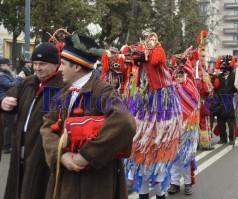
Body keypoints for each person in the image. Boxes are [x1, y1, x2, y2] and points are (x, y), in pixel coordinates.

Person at [40, 34, 136, 199]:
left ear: (76, 67)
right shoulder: (63, 92)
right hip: (65, 181)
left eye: (62, 64)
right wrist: (61, 156)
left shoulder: (104, 91)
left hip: (95, 184)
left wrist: (87, 156)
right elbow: (47, 126)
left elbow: (125, 123)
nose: (59, 69)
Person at [0, 43, 65, 199]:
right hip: (19, 149)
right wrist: (3, 101)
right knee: (17, 188)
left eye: (42, 64)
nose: (37, 68)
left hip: (42, 153)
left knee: (36, 190)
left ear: (56, 65)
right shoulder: (28, 82)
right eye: (35, 63)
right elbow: (8, 96)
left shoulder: (62, 87)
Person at [126, 32, 182, 199]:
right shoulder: (139, 97)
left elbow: (173, 125)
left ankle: (160, 192)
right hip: (143, 146)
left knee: (159, 177)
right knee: (143, 175)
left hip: (160, 145)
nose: (143, 71)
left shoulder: (166, 97)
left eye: (145, 65)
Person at [167, 51, 199, 196]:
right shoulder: (171, 87)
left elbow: (193, 102)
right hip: (174, 126)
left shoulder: (190, 86)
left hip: (188, 126)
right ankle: (174, 182)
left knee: (186, 156)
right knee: (174, 156)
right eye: (177, 75)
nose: (179, 78)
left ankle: (187, 183)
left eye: (182, 75)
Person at [212, 55, 238, 144]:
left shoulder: (234, 77)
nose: (226, 71)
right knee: (220, 121)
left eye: (227, 70)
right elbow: (215, 88)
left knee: (231, 121)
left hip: (229, 100)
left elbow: (237, 89)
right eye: (224, 69)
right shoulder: (219, 77)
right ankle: (223, 138)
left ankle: (232, 138)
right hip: (220, 101)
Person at [0, 58, 26, 154]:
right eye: (8, 65)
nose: (9, 66)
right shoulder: (2, 75)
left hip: (7, 100)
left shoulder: (5, 74)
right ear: (2, 65)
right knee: (9, 124)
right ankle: (7, 146)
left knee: (9, 124)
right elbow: (11, 85)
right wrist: (19, 77)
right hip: (5, 101)